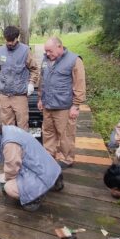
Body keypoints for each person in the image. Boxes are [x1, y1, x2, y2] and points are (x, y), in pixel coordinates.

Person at [0, 122, 64, 212]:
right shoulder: (8, 129)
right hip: (50, 166)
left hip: (42, 173)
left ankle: (34, 198)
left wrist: (7, 180)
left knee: (9, 187)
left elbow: (12, 168)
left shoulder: (9, 144)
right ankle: (56, 179)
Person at [37, 37, 86, 169]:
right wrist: (40, 98)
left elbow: (80, 84)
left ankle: (66, 158)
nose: (47, 54)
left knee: (65, 134)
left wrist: (76, 105)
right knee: (47, 131)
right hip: (48, 104)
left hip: (64, 106)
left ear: (60, 46)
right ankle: (49, 154)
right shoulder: (45, 59)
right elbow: (42, 79)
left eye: (50, 51)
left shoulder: (74, 60)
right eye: (46, 51)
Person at [0, 26, 39, 130]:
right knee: (7, 126)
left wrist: (31, 83)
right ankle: (10, 145)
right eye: (7, 40)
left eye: (12, 41)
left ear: (17, 38)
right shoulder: (0, 51)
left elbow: (34, 69)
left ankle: (22, 146)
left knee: (22, 125)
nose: (9, 43)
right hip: (5, 95)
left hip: (20, 95)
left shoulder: (25, 51)